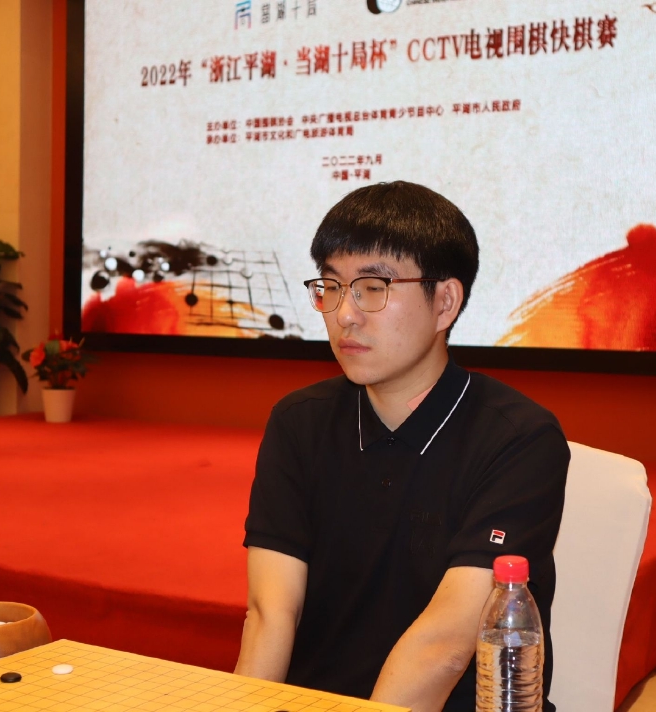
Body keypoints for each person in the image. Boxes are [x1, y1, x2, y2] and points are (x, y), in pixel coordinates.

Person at [235, 181, 569, 712]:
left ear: (445, 303)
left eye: (373, 287)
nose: (344, 313)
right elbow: (270, 613)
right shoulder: (300, 422)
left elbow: (444, 648)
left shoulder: (519, 438)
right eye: (331, 286)